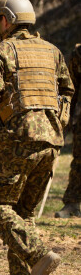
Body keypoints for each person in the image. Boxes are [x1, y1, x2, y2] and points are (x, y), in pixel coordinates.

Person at [0, 0, 73, 275]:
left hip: (19, 140)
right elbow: (67, 90)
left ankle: (39, 255)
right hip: (51, 141)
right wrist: (57, 120)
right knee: (22, 211)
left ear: (7, 20)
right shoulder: (52, 52)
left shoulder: (1, 51)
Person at [55, 43, 81, 218]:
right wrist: (65, 118)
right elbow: (71, 89)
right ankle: (72, 204)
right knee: (79, 162)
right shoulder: (79, 54)